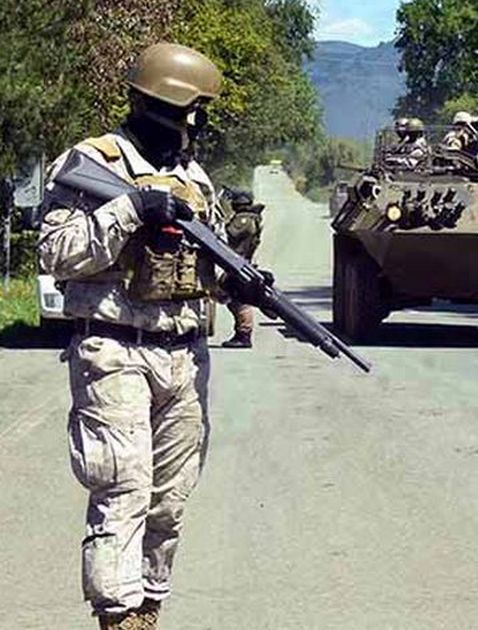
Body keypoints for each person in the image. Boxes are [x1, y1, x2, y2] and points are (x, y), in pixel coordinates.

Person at [38, 43, 224, 630]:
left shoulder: (195, 180)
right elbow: (55, 253)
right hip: (114, 350)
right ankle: (116, 619)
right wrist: (129, 211)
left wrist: (241, 284)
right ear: (159, 103)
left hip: (185, 358)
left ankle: (148, 608)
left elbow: (205, 270)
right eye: (190, 111)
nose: (195, 126)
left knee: (169, 503)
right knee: (123, 491)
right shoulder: (93, 163)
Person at [221, 189, 265, 348]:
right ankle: (242, 333)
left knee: (239, 300)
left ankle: (244, 334)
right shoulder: (249, 217)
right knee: (234, 300)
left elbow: (229, 233)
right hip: (238, 262)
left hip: (239, 262)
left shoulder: (244, 219)